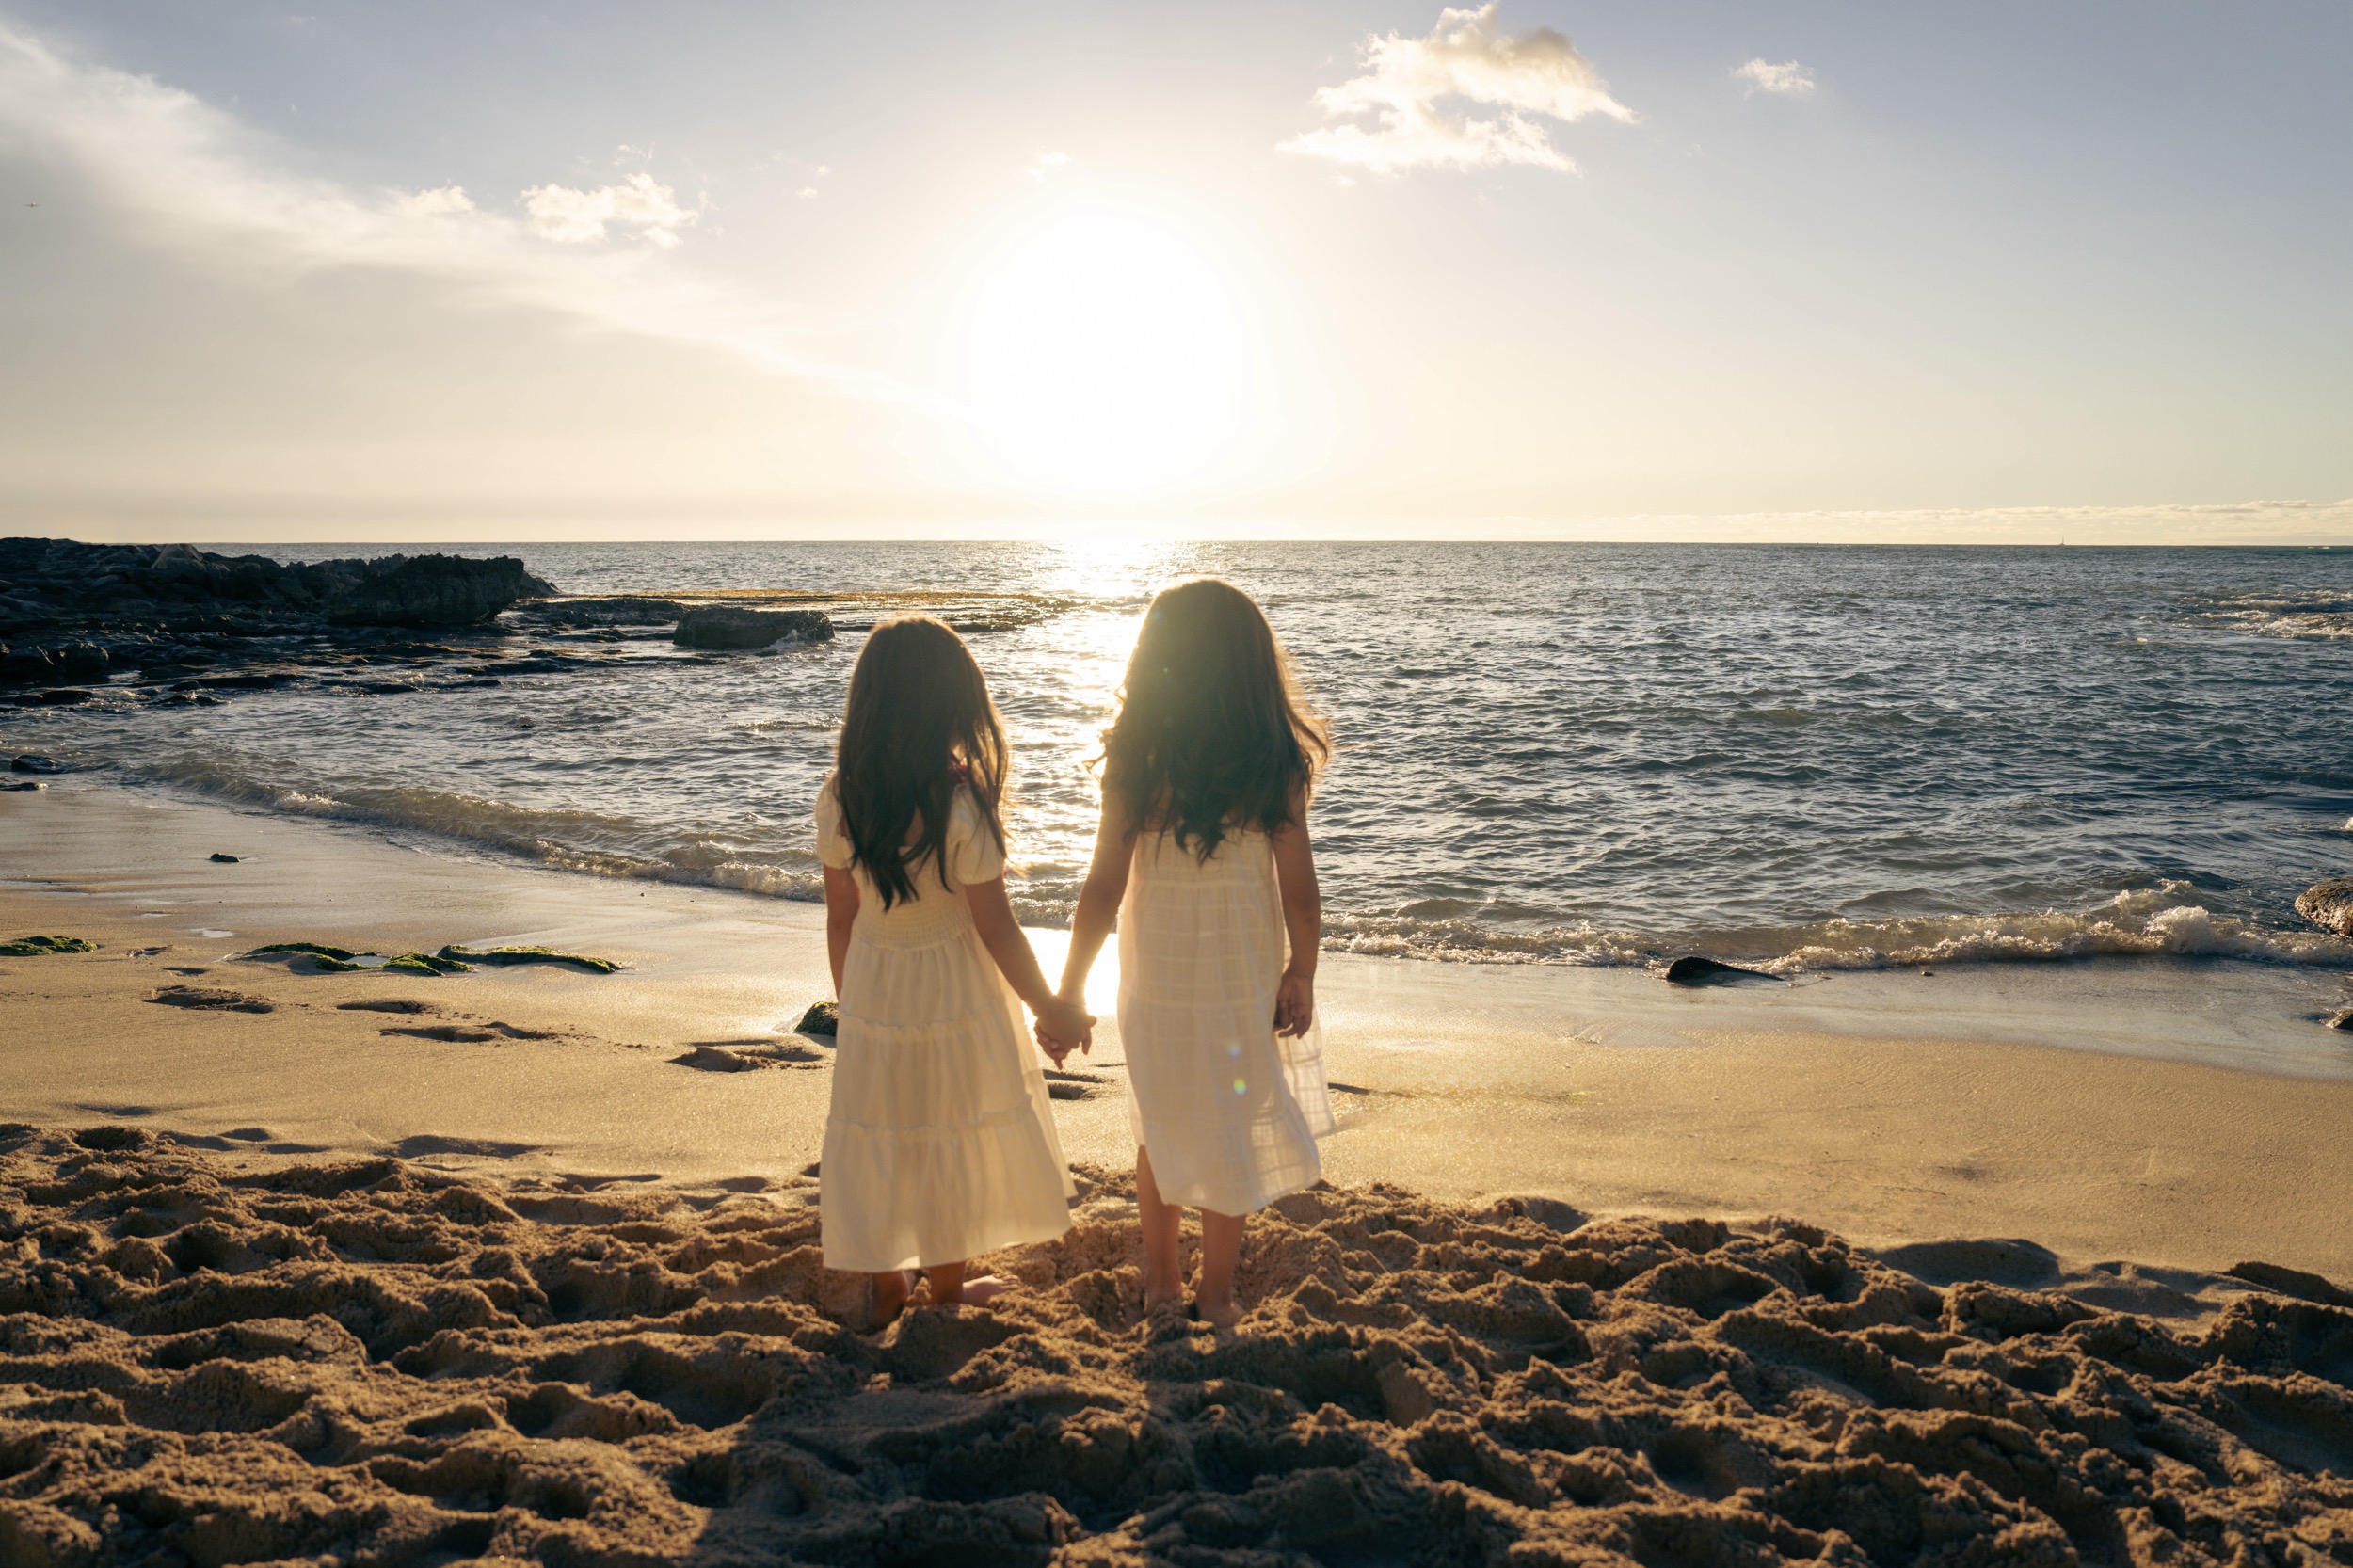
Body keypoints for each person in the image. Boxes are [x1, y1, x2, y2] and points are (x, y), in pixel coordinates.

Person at [1053, 579, 1336, 1330]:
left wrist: (1070, 989)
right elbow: (1301, 893)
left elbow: (1101, 889)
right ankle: (1215, 1294)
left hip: (1155, 981)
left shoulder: (1138, 763)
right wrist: (1300, 970)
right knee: (1230, 1129)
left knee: (1161, 1123)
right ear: (1251, 671)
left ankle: (1161, 1281)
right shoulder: (1273, 763)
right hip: (1237, 982)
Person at [814, 616, 1092, 1326]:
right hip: (954, 988)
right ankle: (942, 1292)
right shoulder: (959, 804)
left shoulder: (842, 796)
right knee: (948, 1132)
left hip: (876, 980)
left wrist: (858, 1006)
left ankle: (885, 1284)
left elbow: (841, 915)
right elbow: (994, 925)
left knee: (883, 1130)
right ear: (951, 708)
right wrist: (1048, 1008)